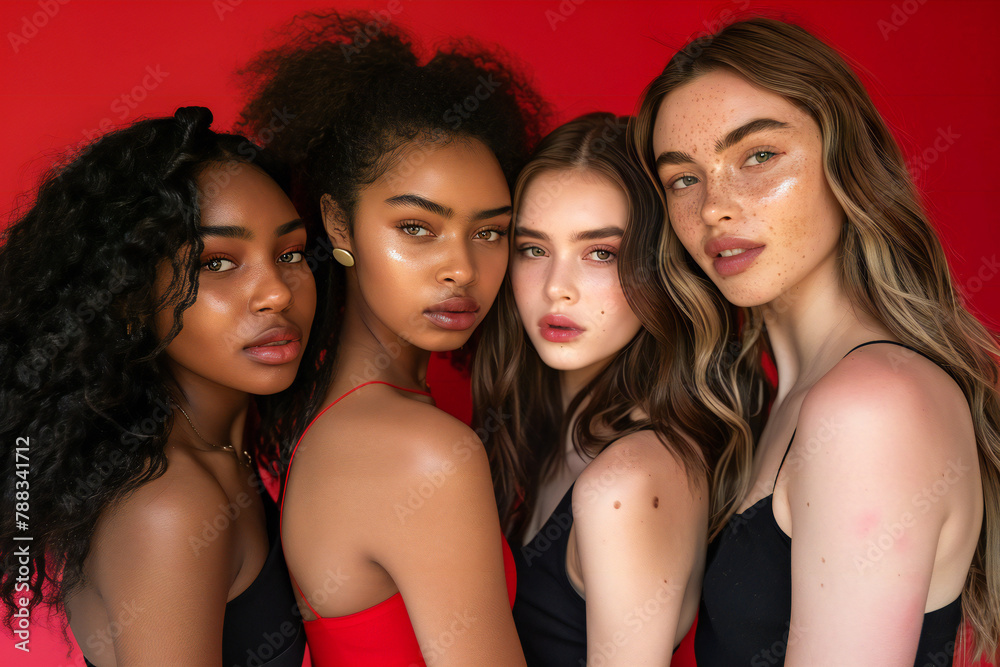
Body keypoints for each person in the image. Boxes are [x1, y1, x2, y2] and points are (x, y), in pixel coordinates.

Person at [633, 17, 1000, 666]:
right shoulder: (778, 405)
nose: (715, 206)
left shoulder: (870, 407)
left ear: (844, 160)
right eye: (684, 178)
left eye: (758, 156)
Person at [236, 12, 548, 667]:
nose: (461, 266)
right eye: (417, 227)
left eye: (490, 232)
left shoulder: (321, 416)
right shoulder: (424, 453)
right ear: (338, 224)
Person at [0, 106, 315, 667]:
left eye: (290, 254)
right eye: (218, 263)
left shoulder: (230, 453)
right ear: (129, 299)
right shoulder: (169, 507)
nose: (277, 293)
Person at [474, 112, 762, 666]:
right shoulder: (529, 434)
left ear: (662, 268)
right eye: (533, 249)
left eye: (601, 253)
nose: (557, 288)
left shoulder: (628, 482)